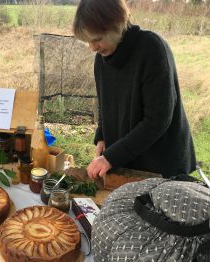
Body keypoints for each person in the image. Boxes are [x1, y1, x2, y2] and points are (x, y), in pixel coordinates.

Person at [73, 0, 196, 179]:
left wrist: (111, 157)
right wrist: (102, 136)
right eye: (88, 42)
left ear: (118, 24)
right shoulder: (102, 58)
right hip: (126, 158)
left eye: (97, 39)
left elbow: (158, 119)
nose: (92, 48)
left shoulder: (152, 48)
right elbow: (104, 104)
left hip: (161, 164)